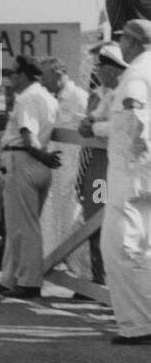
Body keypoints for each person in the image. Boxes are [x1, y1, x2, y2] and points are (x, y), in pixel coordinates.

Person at [102, 20, 151, 342]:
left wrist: (140, 152)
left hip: (131, 175)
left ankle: (137, 325)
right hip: (142, 176)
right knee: (144, 249)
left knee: (120, 248)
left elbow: (135, 114)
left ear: (131, 42)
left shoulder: (135, 74)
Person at [0, 55, 59, 298]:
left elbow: (28, 135)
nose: (11, 79)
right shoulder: (47, 97)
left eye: (13, 74)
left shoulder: (28, 99)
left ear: (23, 75)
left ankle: (29, 282)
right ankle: (11, 278)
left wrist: (41, 155)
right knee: (17, 225)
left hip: (24, 159)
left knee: (24, 228)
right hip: (35, 163)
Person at [77, 42, 126, 284]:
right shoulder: (99, 96)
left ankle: (113, 281)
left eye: (102, 66)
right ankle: (100, 279)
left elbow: (115, 127)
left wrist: (93, 126)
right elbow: (89, 123)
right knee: (95, 217)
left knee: (118, 226)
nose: (97, 71)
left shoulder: (125, 93)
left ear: (115, 69)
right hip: (97, 168)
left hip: (116, 166)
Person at [40, 56, 91, 280]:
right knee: (59, 221)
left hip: (77, 174)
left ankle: (84, 274)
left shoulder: (78, 97)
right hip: (60, 174)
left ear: (59, 73)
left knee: (75, 223)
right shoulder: (55, 99)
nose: (43, 82)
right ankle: (63, 268)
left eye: (46, 76)